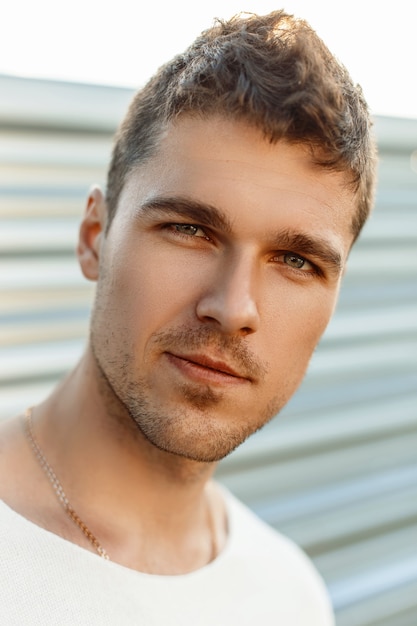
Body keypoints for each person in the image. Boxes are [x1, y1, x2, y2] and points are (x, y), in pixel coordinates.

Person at [0, 9, 376, 625]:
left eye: (296, 261)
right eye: (189, 229)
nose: (232, 308)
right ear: (96, 235)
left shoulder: (292, 598)